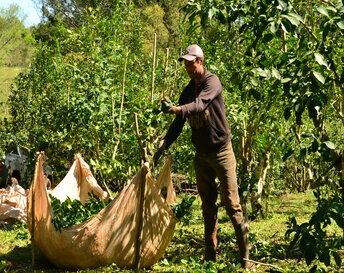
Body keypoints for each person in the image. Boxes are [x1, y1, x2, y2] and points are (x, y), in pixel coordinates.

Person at [154, 45, 253, 269]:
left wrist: (177, 109)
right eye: (186, 65)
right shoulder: (187, 90)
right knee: (208, 207)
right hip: (202, 155)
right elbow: (177, 125)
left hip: (222, 152)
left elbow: (199, 106)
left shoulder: (212, 82)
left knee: (232, 205)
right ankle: (211, 256)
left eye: (192, 63)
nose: (188, 68)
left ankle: (245, 258)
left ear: (201, 61)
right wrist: (163, 145)